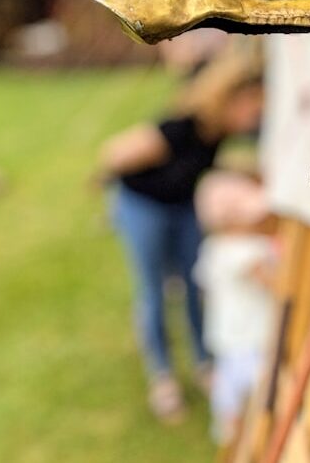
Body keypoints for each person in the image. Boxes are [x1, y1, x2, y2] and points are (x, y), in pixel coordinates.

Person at [99, 53, 263, 422]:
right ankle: (163, 377)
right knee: (155, 289)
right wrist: (113, 192)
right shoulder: (181, 125)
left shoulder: (216, 131)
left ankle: (203, 363)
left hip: (183, 206)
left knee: (194, 282)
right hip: (145, 205)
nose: (257, 112)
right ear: (230, 97)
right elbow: (116, 154)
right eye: (253, 102)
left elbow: (195, 164)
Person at [192, 170, 277, 445]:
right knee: (261, 399)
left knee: (232, 401)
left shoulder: (213, 247)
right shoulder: (245, 250)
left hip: (228, 340)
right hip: (254, 339)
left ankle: (235, 436)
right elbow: (276, 284)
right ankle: (255, 440)